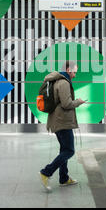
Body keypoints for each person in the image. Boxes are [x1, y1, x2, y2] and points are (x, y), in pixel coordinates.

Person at [39, 61, 86, 192]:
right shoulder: (64, 82)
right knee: (69, 151)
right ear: (68, 70)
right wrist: (79, 102)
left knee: (64, 149)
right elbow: (66, 104)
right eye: (74, 72)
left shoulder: (57, 80)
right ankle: (46, 172)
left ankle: (64, 178)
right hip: (62, 122)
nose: (75, 75)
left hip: (57, 120)